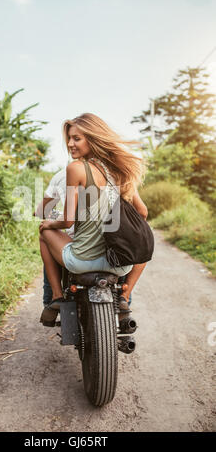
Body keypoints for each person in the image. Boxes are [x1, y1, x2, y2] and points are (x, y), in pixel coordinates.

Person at [39, 113, 148, 325]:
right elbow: (142, 212)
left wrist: (49, 223)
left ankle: (55, 297)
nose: (70, 144)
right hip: (120, 266)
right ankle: (124, 297)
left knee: (44, 233)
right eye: (69, 139)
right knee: (143, 238)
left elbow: (68, 221)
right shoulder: (120, 169)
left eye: (76, 138)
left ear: (93, 138)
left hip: (82, 262)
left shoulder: (76, 168)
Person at [35, 169, 74, 306]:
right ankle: (124, 299)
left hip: (78, 245)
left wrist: (44, 216)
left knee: (45, 235)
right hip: (110, 245)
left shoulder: (63, 175)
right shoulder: (113, 172)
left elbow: (43, 211)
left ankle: (52, 298)